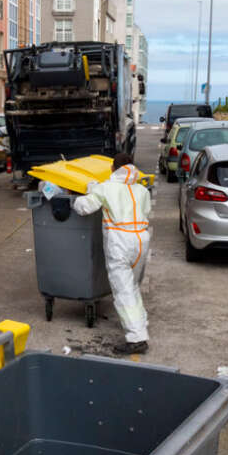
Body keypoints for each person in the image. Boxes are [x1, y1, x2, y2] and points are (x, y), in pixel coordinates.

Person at [73, 152, 152, 354]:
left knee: (122, 289)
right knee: (132, 285)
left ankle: (137, 338)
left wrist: (87, 194)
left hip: (120, 241)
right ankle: (140, 322)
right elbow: (145, 210)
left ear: (112, 169)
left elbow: (84, 208)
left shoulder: (106, 188)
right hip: (141, 240)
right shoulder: (142, 189)